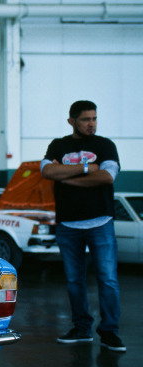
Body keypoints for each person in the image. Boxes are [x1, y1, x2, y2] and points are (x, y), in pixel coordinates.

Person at [41, 100, 125, 352]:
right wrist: (87, 168)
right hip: (68, 224)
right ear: (72, 121)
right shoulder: (59, 145)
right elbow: (46, 172)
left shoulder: (105, 145)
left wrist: (67, 177)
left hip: (101, 221)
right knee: (74, 280)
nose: (92, 124)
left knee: (108, 279)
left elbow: (107, 176)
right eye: (86, 119)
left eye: (94, 119)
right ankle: (81, 329)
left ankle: (109, 332)